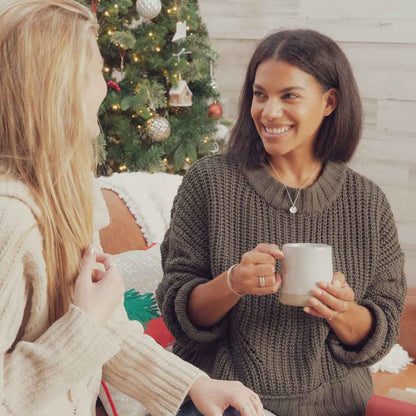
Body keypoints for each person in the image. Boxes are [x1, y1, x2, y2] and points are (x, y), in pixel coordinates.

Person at [0, 1, 265, 415]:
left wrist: (193, 383)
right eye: (95, 72)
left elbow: (103, 332)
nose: (105, 88)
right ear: (61, 86)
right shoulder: (10, 222)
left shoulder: (71, 200)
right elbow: (84, 333)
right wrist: (82, 327)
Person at [156, 29, 407, 416]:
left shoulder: (367, 202)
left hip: (335, 406)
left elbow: (381, 330)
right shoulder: (209, 183)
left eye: (289, 96)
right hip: (223, 402)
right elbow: (179, 311)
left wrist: (340, 310)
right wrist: (232, 283)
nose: (269, 112)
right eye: (260, 95)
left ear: (329, 102)